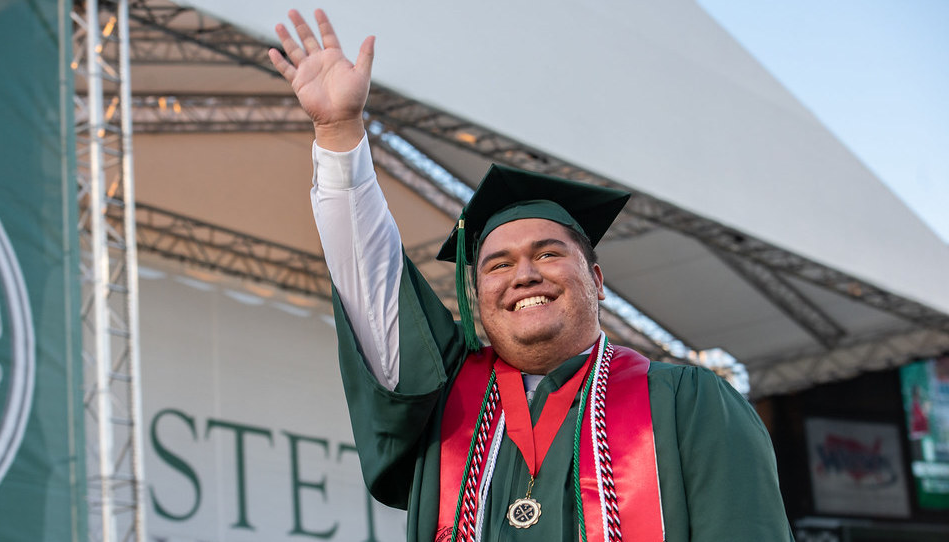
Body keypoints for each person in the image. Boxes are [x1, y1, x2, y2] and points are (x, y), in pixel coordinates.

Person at [269, 9, 793, 542]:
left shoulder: (688, 403)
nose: (523, 275)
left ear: (597, 280)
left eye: (547, 254)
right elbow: (373, 281)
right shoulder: (447, 407)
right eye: (497, 264)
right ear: (478, 300)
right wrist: (339, 133)